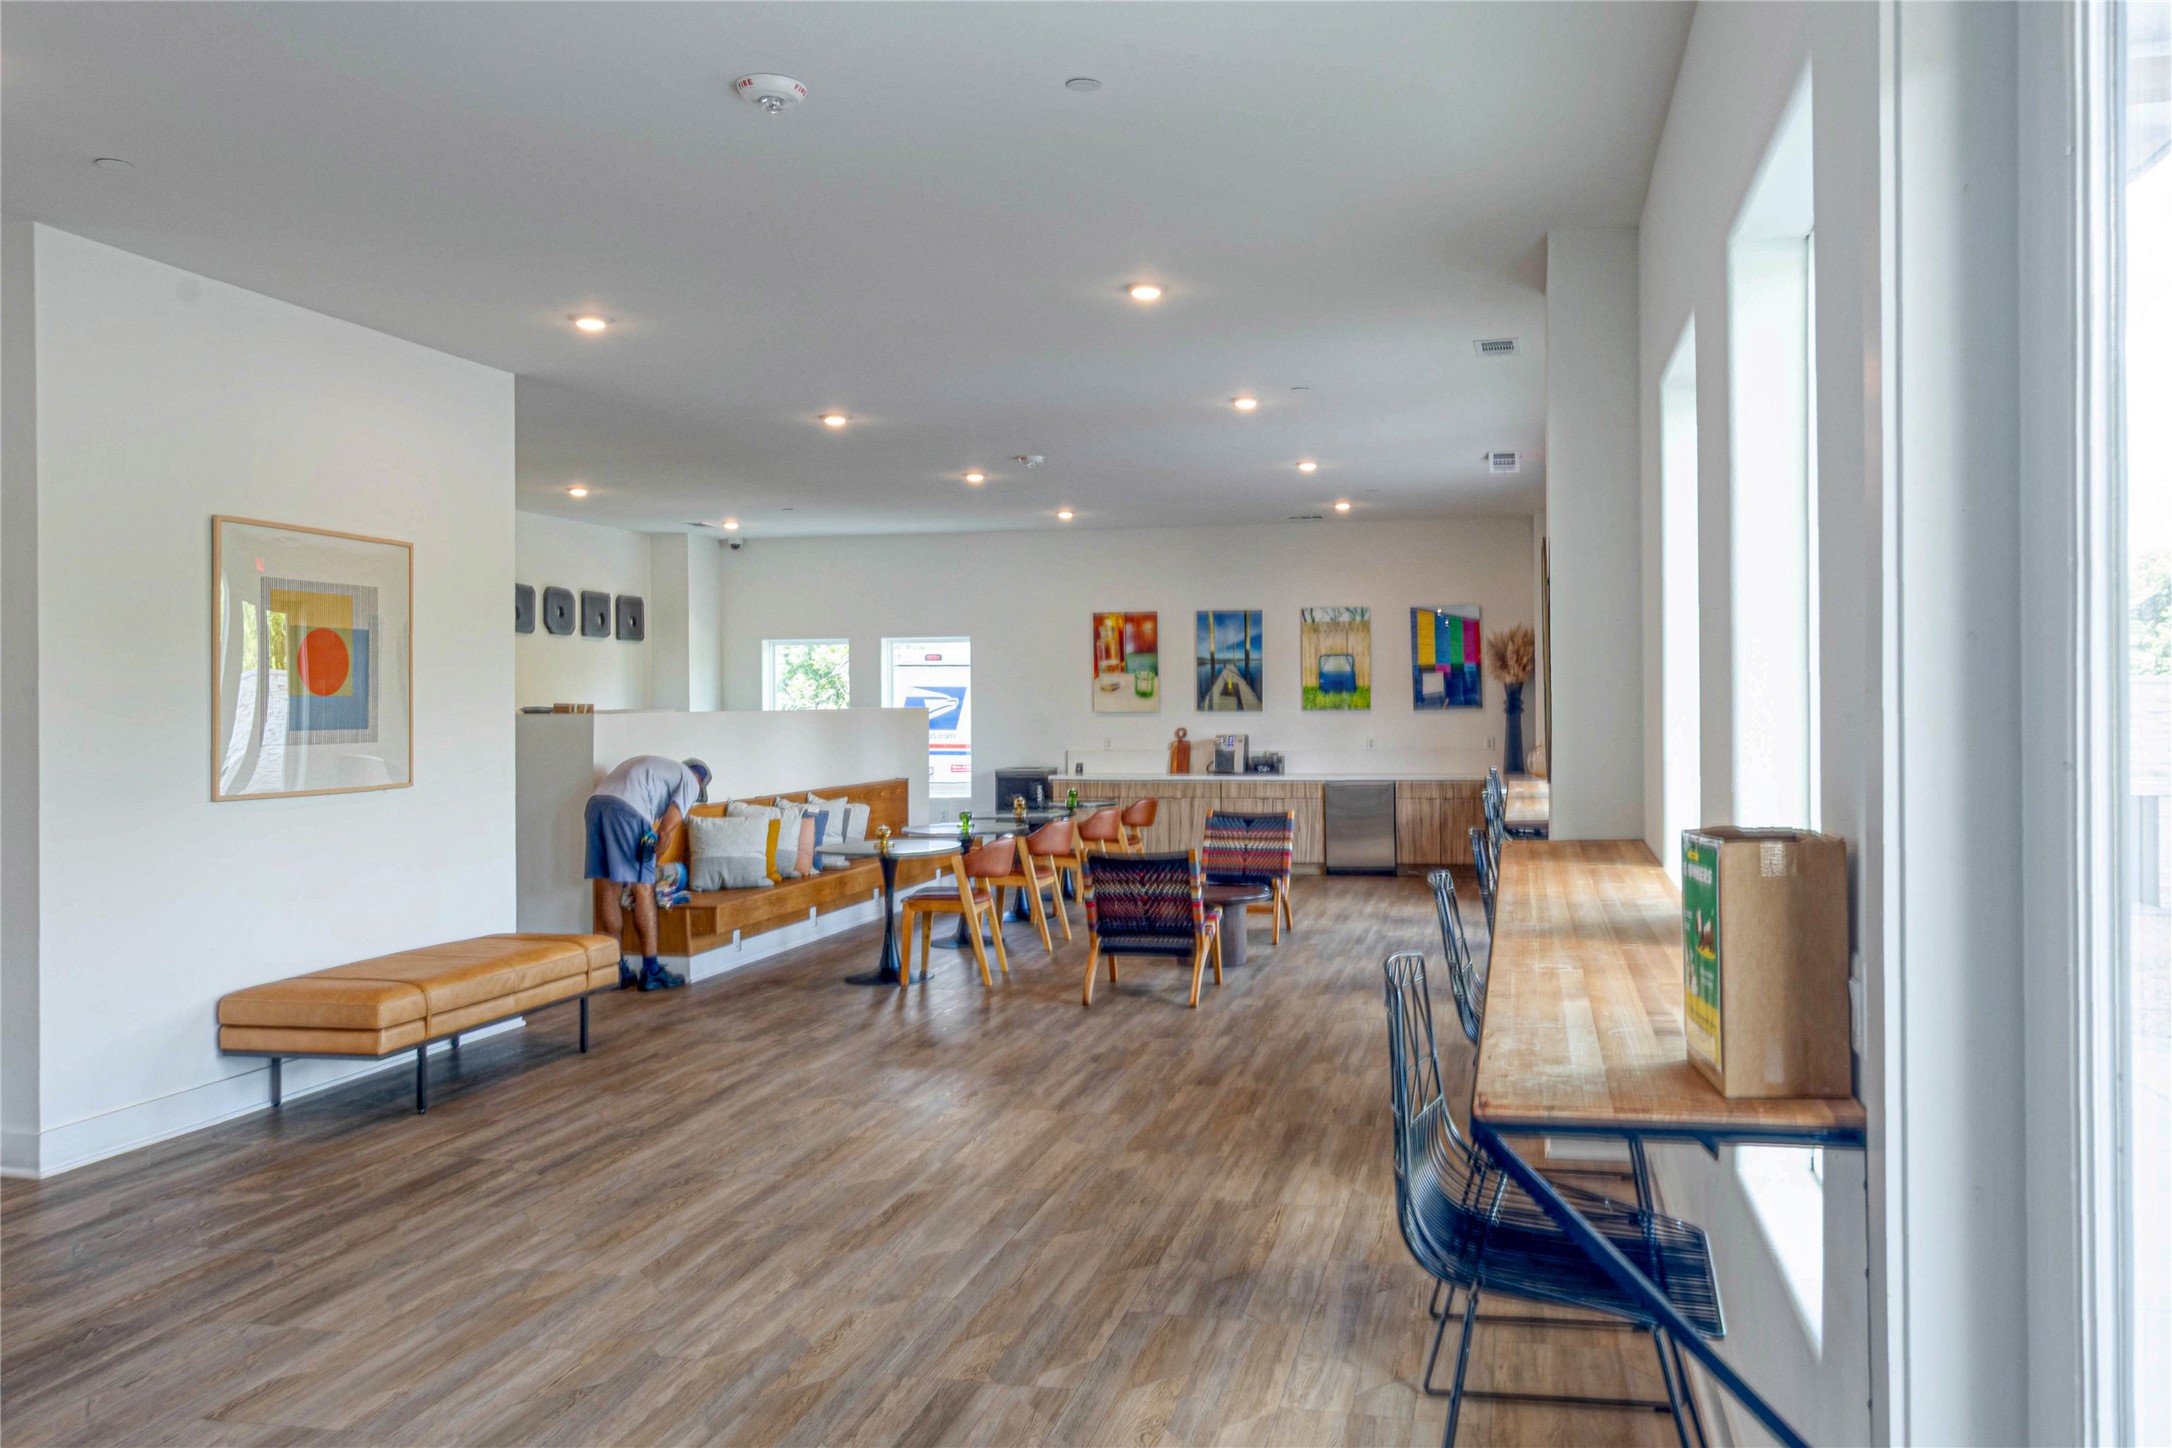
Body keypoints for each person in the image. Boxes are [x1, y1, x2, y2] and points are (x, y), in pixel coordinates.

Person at [586, 755, 710, 991]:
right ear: (700, 782)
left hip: (595, 806)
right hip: (628, 810)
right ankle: (651, 970)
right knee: (643, 887)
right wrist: (650, 869)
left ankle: (616, 969)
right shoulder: (690, 782)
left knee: (610, 886)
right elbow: (664, 832)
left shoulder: (660, 767)